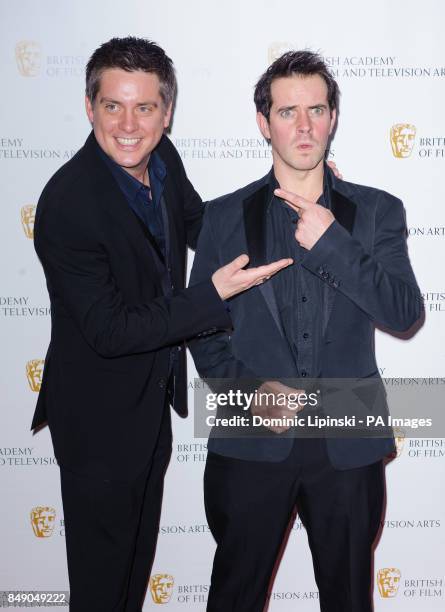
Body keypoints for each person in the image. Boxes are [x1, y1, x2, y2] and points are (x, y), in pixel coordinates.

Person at [31, 36, 292, 612]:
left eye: (144, 107)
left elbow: (203, 223)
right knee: (101, 588)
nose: (128, 124)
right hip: (98, 421)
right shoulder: (68, 204)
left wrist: (285, 195)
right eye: (113, 106)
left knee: (133, 570)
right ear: (89, 106)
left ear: (166, 112)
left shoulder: (163, 159)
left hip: (149, 407)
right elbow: (110, 329)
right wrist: (213, 294)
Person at [189, 50, 422, 612]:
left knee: (348, 599)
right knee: (233, 597)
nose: (304, 126)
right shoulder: (221, 218)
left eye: (316, 110)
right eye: (288, 112)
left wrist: (333, 244)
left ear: (333, 117)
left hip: (347, 439)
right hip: (251, 441)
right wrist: (248, 392)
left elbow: (404, 312)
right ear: (263, 122)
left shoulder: (376, 212)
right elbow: (199, 326)